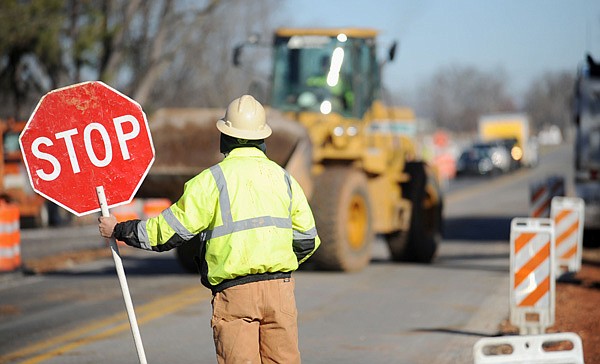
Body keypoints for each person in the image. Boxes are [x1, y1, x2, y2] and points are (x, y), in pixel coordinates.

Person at [98, 94, 320, 363]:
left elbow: (166, 233)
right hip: (281, 292)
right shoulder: (285, 179)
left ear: (224, 137)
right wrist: (275, 265)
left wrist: (120, 229)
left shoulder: (211, 181)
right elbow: (308, 239)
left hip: (235, 294)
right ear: (262, 139)